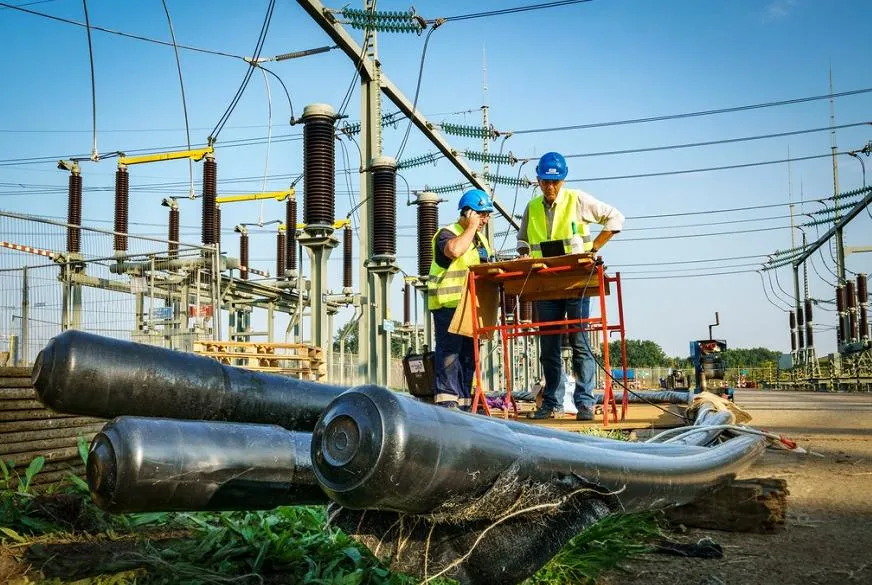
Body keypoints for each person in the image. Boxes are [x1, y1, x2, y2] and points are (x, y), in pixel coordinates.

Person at [517, 152, 624, 420]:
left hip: (576, 282)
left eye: (555, 182)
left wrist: (593, 247)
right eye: (545, 182)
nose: (550, 187)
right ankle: (551, 403)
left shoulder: (577, 200)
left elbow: (616, 219)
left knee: (580, 342)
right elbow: (522, 242)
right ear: (538, 181)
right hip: (546, 285)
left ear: (563, 180)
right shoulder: (532, 208)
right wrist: (524, 254)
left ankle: (585, 403)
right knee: (548, 347)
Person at [428, 188, 494, 410]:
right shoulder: (447, 234)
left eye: (486, 215)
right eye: (481, 214)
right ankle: (447, 401)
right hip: (449, 305)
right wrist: (472, 227)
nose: (484, 220)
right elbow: (454, 251)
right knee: (450, 353)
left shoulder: (481, 240)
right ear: (467, 213)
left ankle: (465, 403)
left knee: (468, 356)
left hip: (472, 308)